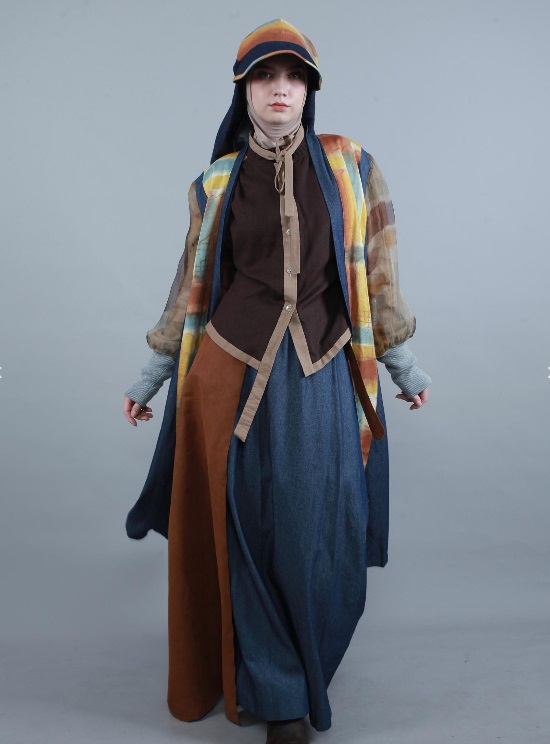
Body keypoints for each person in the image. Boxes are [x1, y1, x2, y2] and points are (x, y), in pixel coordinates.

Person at [123, 19, 431, 744]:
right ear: (245, 91)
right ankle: (281, 695)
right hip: (228, 373)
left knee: (321, 527)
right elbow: (189, 287)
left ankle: (301, 663)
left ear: (310, 90)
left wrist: (402, 364)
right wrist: (151, 376)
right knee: (248, 530)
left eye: (294, 77)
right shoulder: (215, 184)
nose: (280, 89)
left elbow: (379, 272)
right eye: (265, 76)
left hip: (322, 373)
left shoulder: (353, 167)